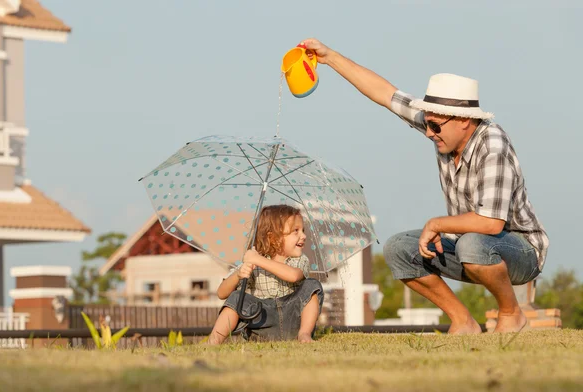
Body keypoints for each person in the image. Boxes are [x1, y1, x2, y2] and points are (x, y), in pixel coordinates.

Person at [299, 38, 549, 334]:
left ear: (465, 122)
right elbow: (385, 94)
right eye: (427, 124)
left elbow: (492, 223)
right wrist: (330, 58)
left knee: (471, 243)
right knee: (398, 249)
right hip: (472, 248)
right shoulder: (443, 127)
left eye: (436, 126)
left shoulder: (493, 144)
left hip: (520, 251)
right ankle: (462, 320)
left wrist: (437, 223)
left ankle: (511, 314)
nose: (429, 133)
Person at [208, 204, 324, 344]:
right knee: (236, 297)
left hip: (292, 320)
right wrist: (238, 274)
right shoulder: (253, 262)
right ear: (273, 238)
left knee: (312, 285)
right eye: (296, 231)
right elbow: (222, 293)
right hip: (262, 322)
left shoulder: (299, 260)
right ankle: (214, 341)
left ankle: (304, 334)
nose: (304, 236)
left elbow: (293, 276)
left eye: (303, 230)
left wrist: (258, 259)